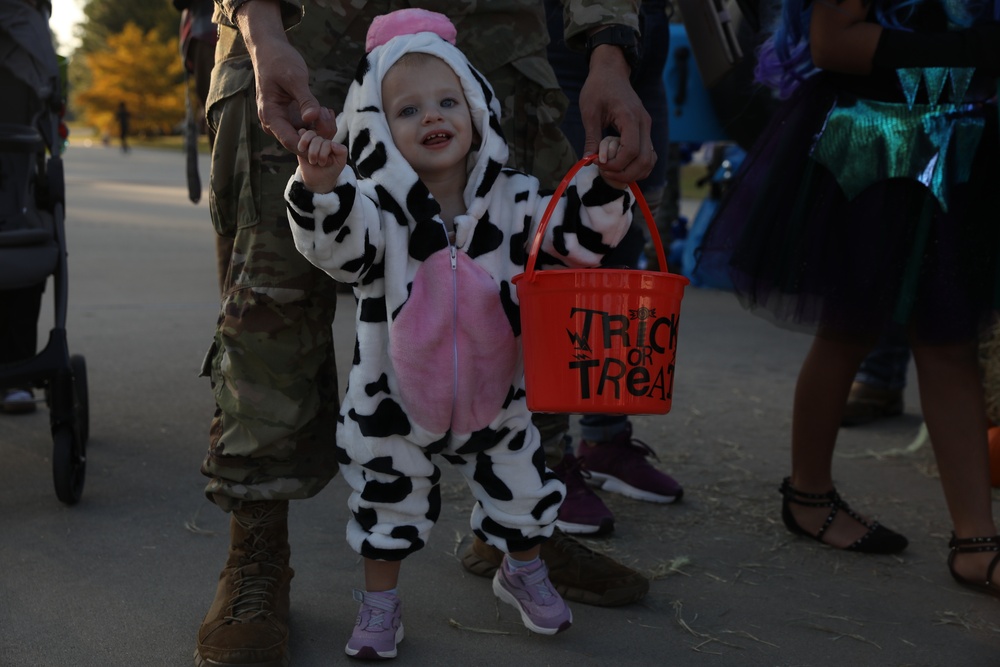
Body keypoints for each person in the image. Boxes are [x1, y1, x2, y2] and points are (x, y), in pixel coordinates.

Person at [196, 1, 657, 665]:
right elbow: (338, 245)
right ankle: (256, 548)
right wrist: (259, 27)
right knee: (272, 300)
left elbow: (571, 236)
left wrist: (609, 49)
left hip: (490, 29)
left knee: (531, 282)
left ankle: (520, 532)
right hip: (304, 28)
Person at [697, 0, 1000, 594]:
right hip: (876, 136)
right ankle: (810, 494)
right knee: (849, 328)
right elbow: (833, 42)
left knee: (948, 340)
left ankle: (975, 538)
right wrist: (977, 51)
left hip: (959, 137)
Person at [542, 0, 682, 537]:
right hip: (571, 32)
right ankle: (541, 458)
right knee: (559, 244)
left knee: (624, 234)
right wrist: (605, 48)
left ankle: (602, 437)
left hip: (643, 31)